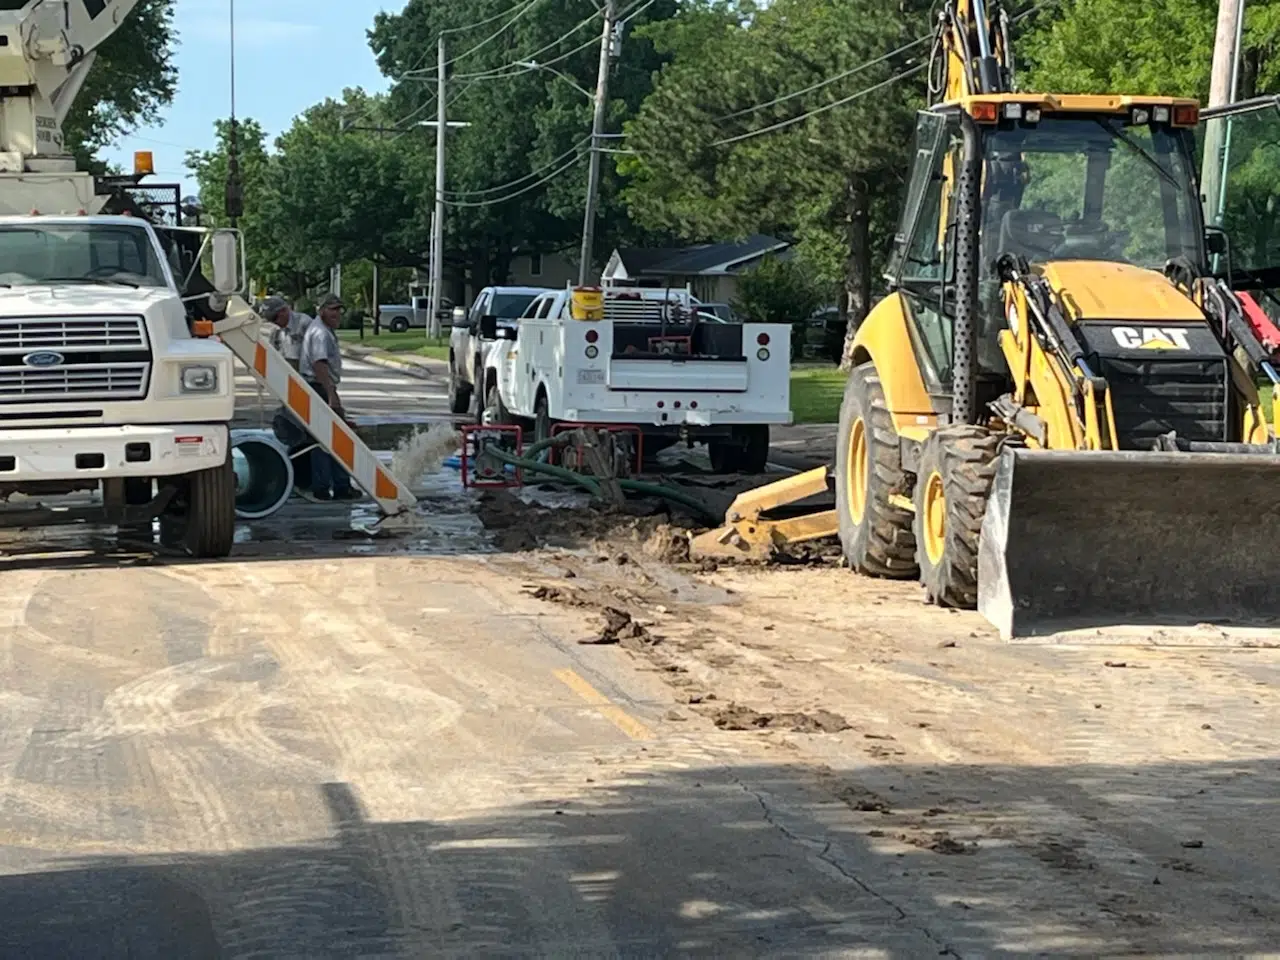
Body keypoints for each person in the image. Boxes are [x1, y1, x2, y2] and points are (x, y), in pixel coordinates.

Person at [299, 293, 360, 501]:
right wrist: (331, 395)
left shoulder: (323, 330)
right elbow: (319, 364)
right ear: (321, 310)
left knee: (328, 440)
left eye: (339, 310)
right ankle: (330, 487)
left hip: (320, 387)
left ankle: (336, 486)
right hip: (319, 388)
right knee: (330, 440)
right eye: (332, 309)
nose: (337, 314)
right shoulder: (320, 333)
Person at [259, 295, 309, 370]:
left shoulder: (304, 324)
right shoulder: (276, 331)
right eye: (270, 319)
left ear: (285, 310)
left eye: (274, 318)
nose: (274, 322)